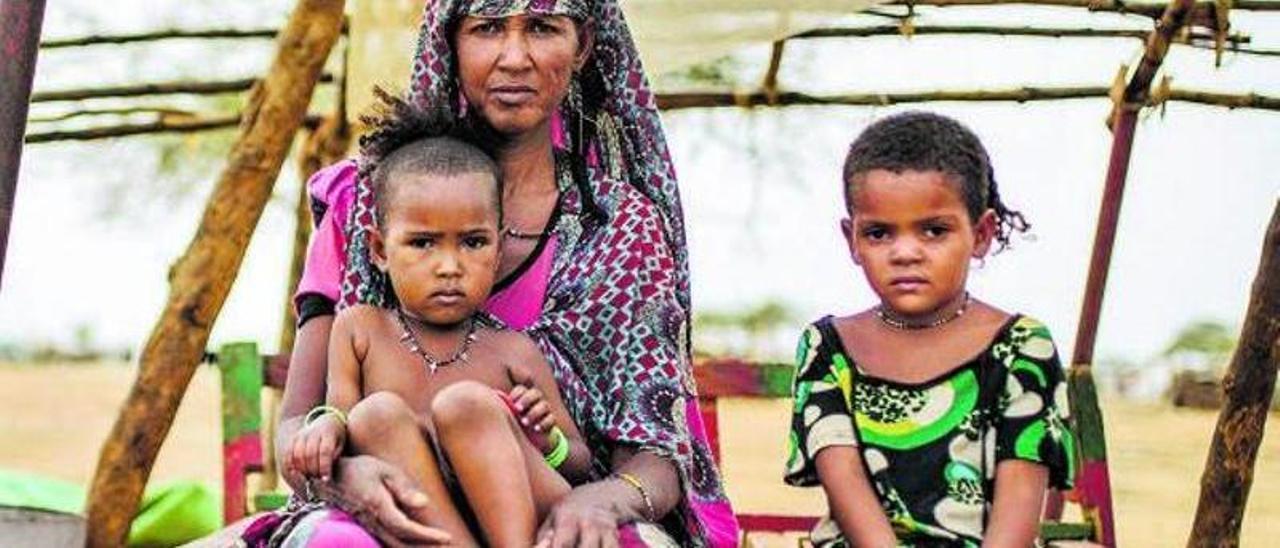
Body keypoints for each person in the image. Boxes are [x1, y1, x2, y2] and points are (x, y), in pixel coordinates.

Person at [254, 1, 739, 546]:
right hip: (393, 506)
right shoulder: (366, 203)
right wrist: (346, 476)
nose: (514, 57)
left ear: (581, 45)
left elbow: (655, 455)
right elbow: (298, 426)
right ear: (449, 42)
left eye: (541, 27)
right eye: (487, 28)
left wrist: (598, 500)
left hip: (552, 509)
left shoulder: (622, 227)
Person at [285, 95, 592, 547]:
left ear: (499, 245)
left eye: (472, 242)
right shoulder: (359, 329)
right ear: (379, 250)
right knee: (375, 415)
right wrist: (326, 427)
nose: (449, 266)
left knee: (466, 405)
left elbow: (579, 462)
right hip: (420, 510)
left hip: (517, 516)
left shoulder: (512, 350)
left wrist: (546, 441)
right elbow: (343, 413)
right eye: (423, 243)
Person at [784, 111, 1076, 547]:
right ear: (851, 240)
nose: (905, 253)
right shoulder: (828, 349)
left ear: (981, 234)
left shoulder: (1021, 349)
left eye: (934, 231)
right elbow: (846, 489)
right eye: (879, 233)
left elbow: (1016, 517)